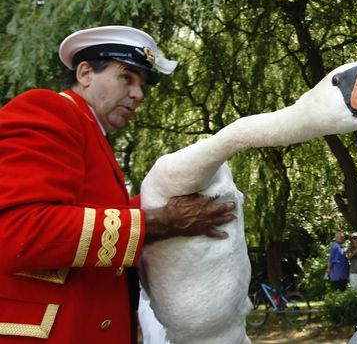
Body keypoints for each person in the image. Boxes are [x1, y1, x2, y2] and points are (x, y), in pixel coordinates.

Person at [0, 26, 237, 343]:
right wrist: (163, 220)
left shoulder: (90, 133)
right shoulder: (50, 109)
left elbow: (98, 216)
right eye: (127, 77)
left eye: (142, 84)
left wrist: (173, 197)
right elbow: (20, 231)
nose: (138, 94)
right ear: (85, 73)